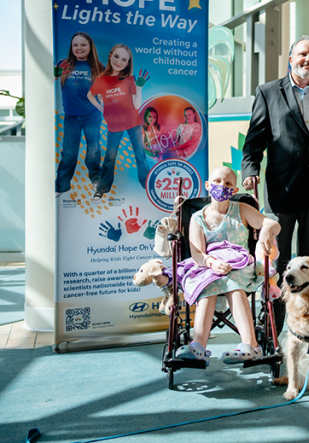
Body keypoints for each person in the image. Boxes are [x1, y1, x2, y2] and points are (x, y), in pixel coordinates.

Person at [240, 36, 309, 330]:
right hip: (282, 191)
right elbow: (255, 139)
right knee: (277, 262)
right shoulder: (268, 92)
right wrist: (250, 168)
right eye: (302, 54)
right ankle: (273, 326)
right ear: (290, 59)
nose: (307, 60)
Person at [158, 166, 281, 365]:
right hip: (209, 265)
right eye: (216, 181)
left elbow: (274, 224)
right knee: (208, 283)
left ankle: (250, 345)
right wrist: (211, 263)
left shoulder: (241, 209)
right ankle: (198, 345)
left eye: (228, 184)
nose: (221, 186)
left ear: (234, 190)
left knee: (233, 283)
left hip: (239, 265)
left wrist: (266, 230)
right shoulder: (198, 218)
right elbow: (197, 253)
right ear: (207, 185)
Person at [87, 44, 150, 201]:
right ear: (110, 56)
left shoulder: (130, 79)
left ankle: (147, 184)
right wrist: (101, 108)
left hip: (133, 122)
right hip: (114, 125)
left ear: (128, 63)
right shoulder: (102, 80)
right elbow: (90, 95)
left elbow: (136, 106)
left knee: (140, 154)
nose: (119, 62)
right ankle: (102, 188)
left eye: (124, 59)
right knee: (110, 156)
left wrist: (139, 88)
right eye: (116, 57)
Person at [54, 32, 104, 197]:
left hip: (92, 116)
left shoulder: (98, 67)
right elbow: (48, 80)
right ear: (71, 47)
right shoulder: (64, 64)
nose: (79, 48)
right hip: (71, 118)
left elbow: (105, 92)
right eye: (75, 45)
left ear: (90, 47)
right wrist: (55, 73)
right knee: (68, 152)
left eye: (83, 45)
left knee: (94, 150)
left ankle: (96, 179)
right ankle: (61, 186)